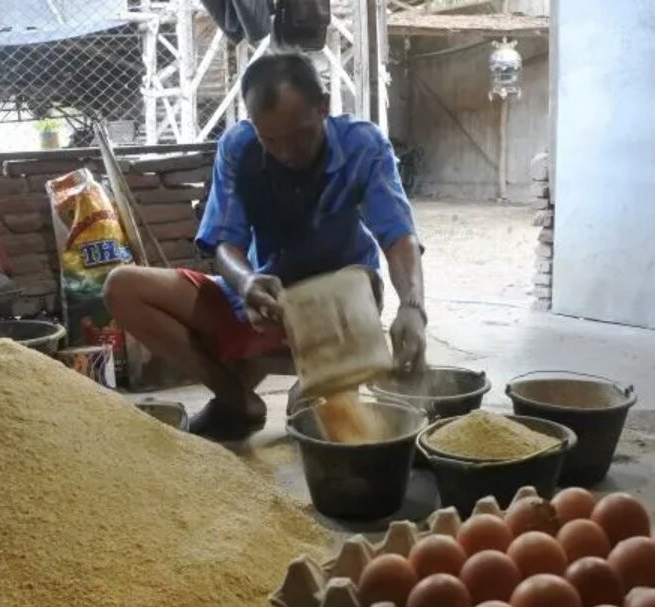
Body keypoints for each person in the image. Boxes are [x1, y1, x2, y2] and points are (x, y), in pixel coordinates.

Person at [104, 51, 427, 441]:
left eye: (301, 134)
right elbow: (226, 244)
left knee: (308, 423)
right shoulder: (238, 147)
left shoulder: (362, 144)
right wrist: (246, 283)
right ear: (253, 124)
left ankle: (316, 383)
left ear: (323, 107)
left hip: (337, 312)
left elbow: (397, 234)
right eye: (271, 139)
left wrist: (412, 306)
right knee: (122, 287)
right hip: (263, 303)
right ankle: (237, 400)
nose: (287, 151)